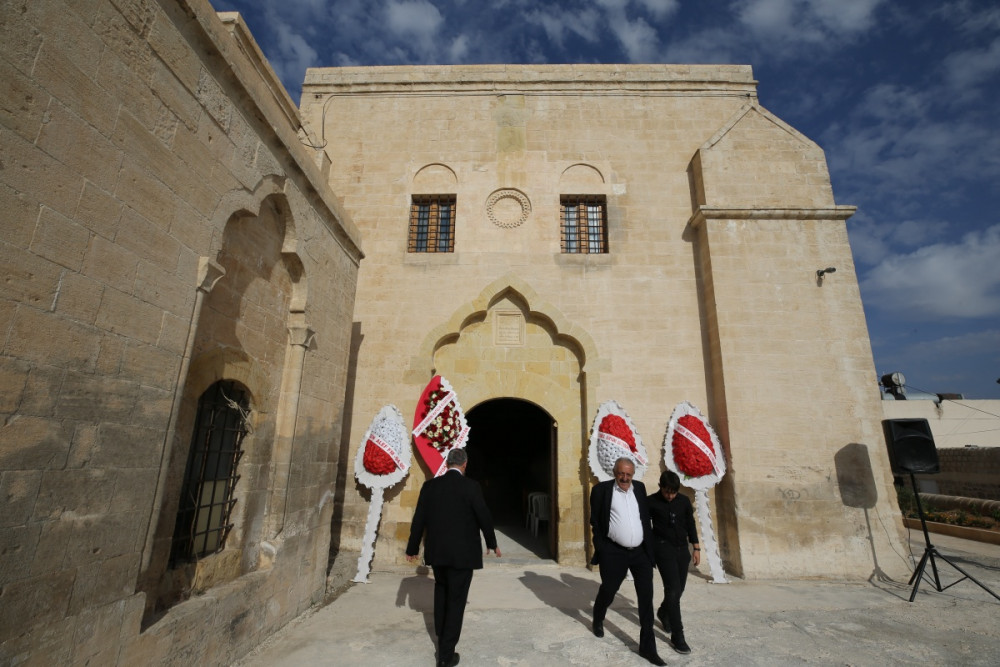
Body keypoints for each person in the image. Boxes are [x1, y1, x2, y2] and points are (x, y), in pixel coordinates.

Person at [406, 448, 502, 667]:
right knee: (456, 602)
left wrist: (412, 548)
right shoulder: (471, 487)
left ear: (447, 463)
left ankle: (441, 635)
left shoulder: (430, 486)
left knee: (442, 593)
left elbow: (419, 519)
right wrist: (492, 543)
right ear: (465, 464)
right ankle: (446, 655)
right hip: (462, 556)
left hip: (438, 553)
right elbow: (483, 516)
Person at [589, 457, 667, 666]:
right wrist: (602, 547)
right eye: (621, 473)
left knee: (646, 599)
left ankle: (647, 648)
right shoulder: (601, 491)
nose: (625, 478)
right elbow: (595, 521)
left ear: (634, 475)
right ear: (614, 472)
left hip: (640, 553)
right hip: (613, 552)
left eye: (629, 474)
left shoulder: (639, 489)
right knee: (609, 589)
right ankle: (598, 616)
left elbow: (645, 517)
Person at [647, 470, 700, 654]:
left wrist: (696, 547)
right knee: (673, 590)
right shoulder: (651, 501)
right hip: (663, 550)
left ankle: (663, 611)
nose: (670, 496)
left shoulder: (683, 501)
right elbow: (645, 528)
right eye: (667, 491)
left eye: (673, 492)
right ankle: (678, 636)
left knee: (679, 590)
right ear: (660, 487)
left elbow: (691, 524)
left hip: (682, 551)